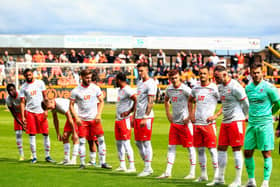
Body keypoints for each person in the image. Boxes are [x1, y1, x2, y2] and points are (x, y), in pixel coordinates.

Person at [208, 65, 249, 187]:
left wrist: (248, 116)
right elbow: (225, 104)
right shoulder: (219, 87)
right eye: (214, 77)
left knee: (236, 149)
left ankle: (238, 180)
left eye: (217, 77)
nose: (215, 79)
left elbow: (245, 103)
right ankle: (220, 178)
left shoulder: (235, 87)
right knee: (221, 148)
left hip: (236, 121)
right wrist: (217, 115)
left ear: (225, 74)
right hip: (226, 122)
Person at [244, 63, 280, 187]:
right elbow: (250, 105)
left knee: (266, 153)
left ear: (263, 73)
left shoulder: (269, 87)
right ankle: (251, 181)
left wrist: (270, 114)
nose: (256, 75)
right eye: (253, 73)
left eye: (258, 72)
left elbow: (278, 103)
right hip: (252, 124)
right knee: (247, 152)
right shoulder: (248, 88)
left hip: (265, 124)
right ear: (250, 74)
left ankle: (265, 182)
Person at [157, 69, 196, 179]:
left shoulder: (185, 89)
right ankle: (167, 172)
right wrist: (168, 114)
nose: (174, 80)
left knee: (190, 147)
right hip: (175, 123)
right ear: (169, 79)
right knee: (171, 146)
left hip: (185, 123)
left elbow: (196, 100)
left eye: (176, 78)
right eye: (172, 78)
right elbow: (166, 100)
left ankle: (192, 173)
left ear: (179, 77)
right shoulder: (169, 89)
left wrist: (190, 116)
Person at [70, 69, 111, 169]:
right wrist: (77, 117)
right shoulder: (76, 91)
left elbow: (101, 101)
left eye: (90, 77)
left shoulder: (95, 88)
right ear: (81, 77)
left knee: (101, 139)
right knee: (83, 141)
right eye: (87, 78)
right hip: (82, 120)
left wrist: (99, 114)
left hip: (94, 119)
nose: (89, 79)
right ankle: (82, 163)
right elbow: (71, 105)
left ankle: (103, 162)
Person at [188, 66, 220, 182]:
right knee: (200, 150)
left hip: (209, 125)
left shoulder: (214, 88)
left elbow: (225, 102)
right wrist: (191, 114)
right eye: (200, 73)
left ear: (209, 75)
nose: (202, 76)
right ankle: (203, 174)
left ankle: (217, 175)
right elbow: (190, 100)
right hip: (197, 123)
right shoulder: (196, 88)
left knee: (212, 150)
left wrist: (215, 116)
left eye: (204, 74)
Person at [20, 68, 55, 164]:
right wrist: (23, 116)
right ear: (24, 76)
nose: (29, 77)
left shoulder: (40, 83)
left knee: (46, 133)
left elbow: (45, 97)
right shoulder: (23, 87)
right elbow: (22, 102)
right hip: (30, 112)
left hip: (41, 111)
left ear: (33, 74)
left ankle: (47, 156)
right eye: (27, 75)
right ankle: (34, 157)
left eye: (30, 75)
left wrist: (46, 110)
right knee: (32, 134)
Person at [134, 62, 157, 177]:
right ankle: (148, 166)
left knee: (146, 141)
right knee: (138, 142)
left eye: (142, 70)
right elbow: (138, 101)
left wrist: (145, 116)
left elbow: (151, 101)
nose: (140, 73)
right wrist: (134, 116)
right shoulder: (139, 83)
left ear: (147, 70)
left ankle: (147, 168)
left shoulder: (150, 83)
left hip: (146, 117)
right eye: (139, 70)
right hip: (138, 116)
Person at [41, 98, 79, 165]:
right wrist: (58, 133)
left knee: (75, 138)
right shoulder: (52, 106)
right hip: (71, 117)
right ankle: (66, 159)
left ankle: (74, 160)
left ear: (51, 102)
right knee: (65, 137)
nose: (50, 109)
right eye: (48, 109)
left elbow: (70, 118)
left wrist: (74, 133)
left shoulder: (61, 105)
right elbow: (55, 119)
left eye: (49, 107)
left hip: (77, 115)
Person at [114, 72, 137, 172]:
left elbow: (136, 100)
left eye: (116, 80)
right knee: (118, 143)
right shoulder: (120, 90)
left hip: (125, 120)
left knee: (126, 142)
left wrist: (129, 111)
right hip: (118, 119)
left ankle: (132, 166)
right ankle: (122, 165)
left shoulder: (128, 90)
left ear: (119, 80)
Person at [6, 83, 25, 160]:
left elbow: (26, 104)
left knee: (31, 133)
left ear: (15, 89)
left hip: (26, 112)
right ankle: (21, 155)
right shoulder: (8, 99)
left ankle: (32, 155)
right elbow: (13, 114)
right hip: (17, 115)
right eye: (9, 91)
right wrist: (21, 123)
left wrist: (25, 119)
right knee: (18, 133)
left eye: (12, 90)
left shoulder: (21, 94)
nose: (11, 92)